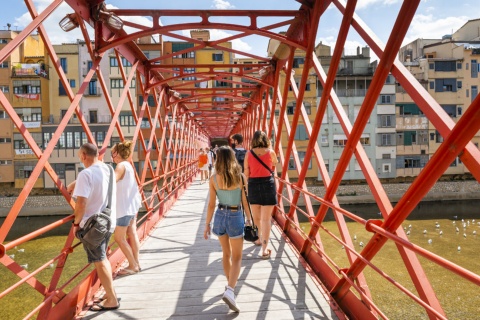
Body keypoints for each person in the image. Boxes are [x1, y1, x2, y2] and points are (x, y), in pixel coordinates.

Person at [71, 143, 120, 311]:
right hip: (109, 221)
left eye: (80, 157)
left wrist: (76, 224)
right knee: (103, 257)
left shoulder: (86, 174)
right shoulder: (109, 169)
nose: (80, 161)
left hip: (94, 226)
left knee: (100, 260)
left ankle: (112, 300)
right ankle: (110, 292)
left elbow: (81, 203)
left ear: (84, 156)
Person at [203, 146, 250, 313]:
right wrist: (250, 220)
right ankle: (230, 290)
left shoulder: (213, 179)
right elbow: (245, 202)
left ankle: (230, 286)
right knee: (237, 257)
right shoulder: (240, 177)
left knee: (226, 254)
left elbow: (210, 205)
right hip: (235, 215)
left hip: (219, 216)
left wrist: (207, 224)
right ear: (232, 158)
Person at [243, 131, 278, 259]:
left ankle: (257, 239)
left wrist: (246, 189)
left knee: (256, 218)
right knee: (266, 219)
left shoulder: (248, 154)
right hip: (268, 184)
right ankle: (264, 248)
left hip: (253, 185)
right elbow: (275, 164)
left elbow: (246, 173)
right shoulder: (270, 152)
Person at [111, 140, 142, 275]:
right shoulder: (128, 165)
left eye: (112, 153)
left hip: (123, 208)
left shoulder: (120, 166)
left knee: (119, 238)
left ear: (117, 153)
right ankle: (136, 262)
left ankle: (132, 265)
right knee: (132, 233)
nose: (111, 155)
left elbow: (111, 181)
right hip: (132, 205)